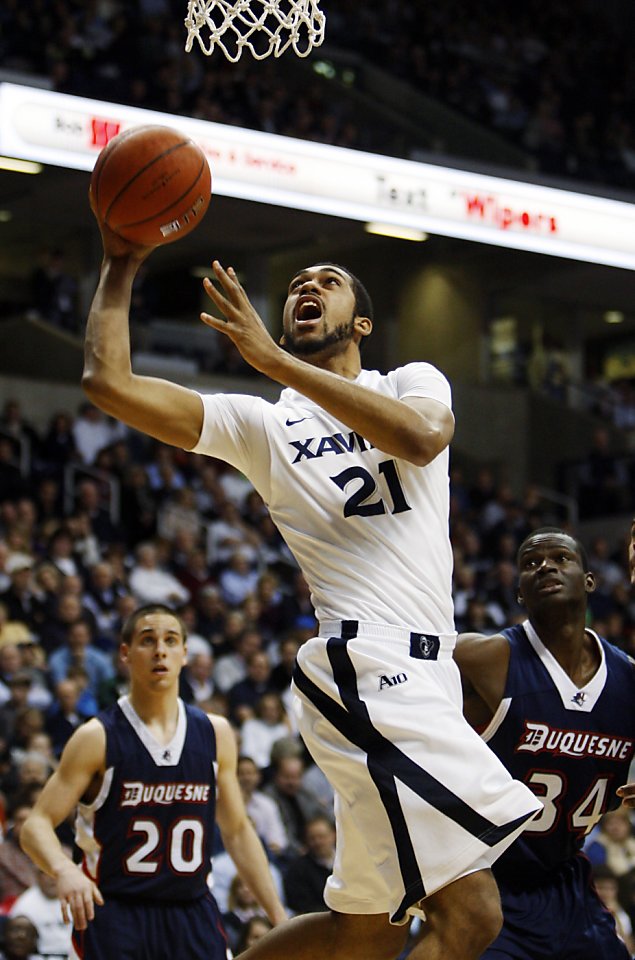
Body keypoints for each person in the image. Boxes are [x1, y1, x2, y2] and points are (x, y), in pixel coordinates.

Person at [77, 209, 541, 960]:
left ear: (360, 322)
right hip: (366, 669)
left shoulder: (411, 381)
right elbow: (108, 382)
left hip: (427, 674)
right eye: (296, 282)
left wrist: (277, 364)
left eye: (327, 281)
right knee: (473, 914)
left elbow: (421, 439)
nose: (307, 287)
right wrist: (122, 263)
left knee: (360, 931)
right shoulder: (263, 424)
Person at [19, 604, 286, 959]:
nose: (160, 650)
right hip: (116, 911)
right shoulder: (97, 737)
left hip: (192, 910)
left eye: (170, 640)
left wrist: (279, 918)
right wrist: (64, 868)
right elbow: (35, 825)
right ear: (126, 654)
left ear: (185, 654)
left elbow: (237, 831)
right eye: (148, 640)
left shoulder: (215, 733)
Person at [454, 527, 635, 959]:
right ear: (519, 592)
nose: (546, 566)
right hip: (486, 881)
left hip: (565, 882)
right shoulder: (482, 658)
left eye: (560, 558)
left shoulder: (628, 679)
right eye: (531, 563)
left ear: (589, 580)